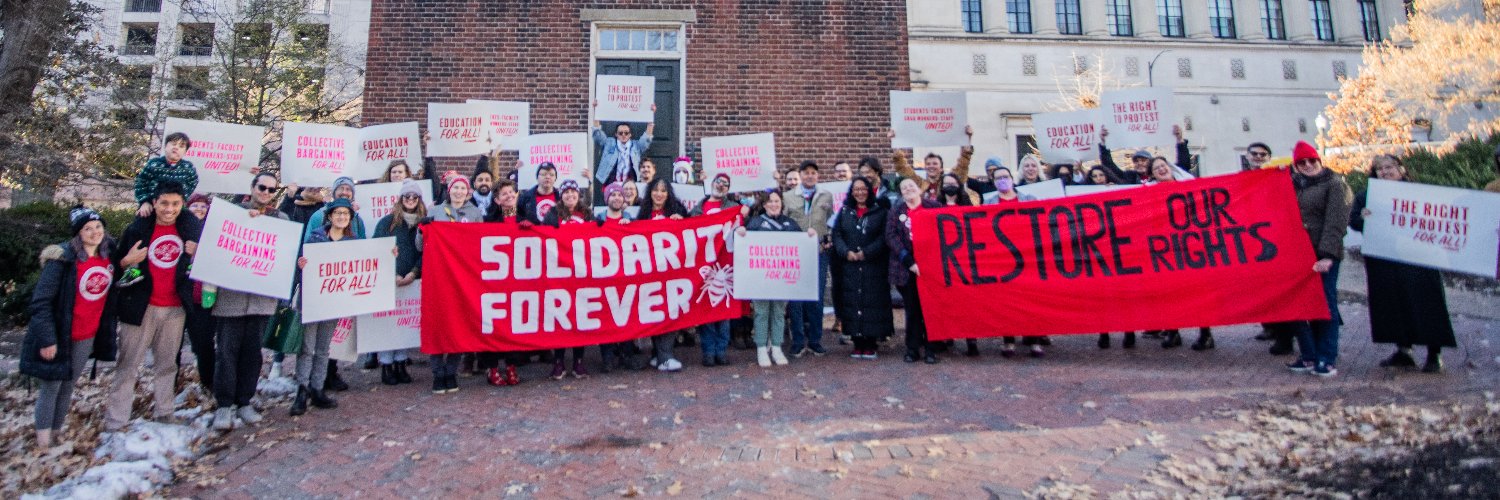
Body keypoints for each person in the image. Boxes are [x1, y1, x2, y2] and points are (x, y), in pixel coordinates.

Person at [106, 181, 200, 431]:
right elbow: (114, 267)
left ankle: (165, 412)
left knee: (167, 364)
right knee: (128, 364)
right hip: (140, 307)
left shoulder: (190, 230)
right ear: (155, 202)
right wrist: (127, 260)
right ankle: (116, 420)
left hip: (174, 308)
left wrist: (197, 252)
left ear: (182, 205)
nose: (169, 209)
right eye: (164, 203)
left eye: (175, 204)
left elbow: (207, 264)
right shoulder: (137, 229)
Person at [23, 206, 119, 449]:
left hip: (86, 335)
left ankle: (57, 433)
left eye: (98, 227)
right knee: (52, 386)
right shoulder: (62, 260)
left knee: (68, 385)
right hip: (60, 334)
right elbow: (41, 303)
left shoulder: (108, 256)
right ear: (78, 233)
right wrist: (47, 339)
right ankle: (43, 442)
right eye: (88, 228)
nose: (95, 232)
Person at [1353, 155, 1456, 372]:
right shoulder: (1367, 196)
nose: (1384, 171)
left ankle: (1434, 354)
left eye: (1389, 167)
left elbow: (1437, 220)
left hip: (1418, 258)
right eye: (1379, 168)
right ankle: (1403, 350)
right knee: (1393, 304)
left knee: (1426, 302)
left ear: (1401, 169)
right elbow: (1354, 221)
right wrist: (1364, 218)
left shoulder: (1418, 193)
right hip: (1385, 258)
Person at [208, 173, 287, 430]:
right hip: (231, 298)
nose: (265, 192)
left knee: (253, 354)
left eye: (271, 189)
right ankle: (224, 405)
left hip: (261, 299)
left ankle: (244, 401)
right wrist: (244, 218)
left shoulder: (280, 220)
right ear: (252, 188)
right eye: (261, 187)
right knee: (226, 352)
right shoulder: (232, 213)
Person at [1285, 141, 1352, 377]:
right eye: (1301, 162)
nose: (1307, 165)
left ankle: (1327, 356)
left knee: (1325, 304)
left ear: (1319, 160)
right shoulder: (1292, 186)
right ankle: (1309, 355)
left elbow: (1336, 223)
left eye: (1311, 160)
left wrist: (1327, 255)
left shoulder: (1335, 185)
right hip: (1298, 254)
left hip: (1322, 253)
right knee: (1299, 305)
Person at [1139, 157, 1217, 351]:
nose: (1161, 170)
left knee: (1197, 293)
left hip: (1191, 247)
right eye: (1156, 169)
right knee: (1169, 294)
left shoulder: (1190, 186)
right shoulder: (1148, 193)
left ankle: (1205, 334)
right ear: (1153, 174)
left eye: (1163, 166)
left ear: (1170, 167)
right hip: (1165, 250)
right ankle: (1173, 332)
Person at [291, 199, 358, 415]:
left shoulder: (352, 242)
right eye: (337, 213)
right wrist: (302, 266)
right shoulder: (316, 238)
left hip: (333, 302)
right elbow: (301, 267)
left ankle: (317, 388)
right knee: (306, 348)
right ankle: (301, 389)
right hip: (311, 301)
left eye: (345, 214)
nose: (341, 217)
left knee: (323, 348)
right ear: (329, 216)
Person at [737, 190, 815, 367]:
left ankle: (777, 346)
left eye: (777, 201)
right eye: (770, 201)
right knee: (762, 312)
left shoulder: (790, 224)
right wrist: (741, 232)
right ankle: (762, 348)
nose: (774, 204)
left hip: (782, 280)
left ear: (781, 203)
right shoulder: (756, 223)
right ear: (764, 205)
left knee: (779, 312)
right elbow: (744, 244)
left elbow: (801, 246)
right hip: (760, 280)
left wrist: (809, 236)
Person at [427, 174, 485, 392]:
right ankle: (437, 373)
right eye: (455, 188)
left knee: (458, 325)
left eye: (462, 188)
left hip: (462, 276)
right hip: (438, 275)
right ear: (449, 190)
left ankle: (451, 371)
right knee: (437, 325)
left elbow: (481, 243)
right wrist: (424, 229)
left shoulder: (475, 213)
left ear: (468, 191)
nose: (459, 191)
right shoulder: (435, 212)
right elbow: (420, 245)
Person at [832, 177, 893, 359]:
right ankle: (857, 342)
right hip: (850, 266)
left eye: (863, 189)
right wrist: (845, 252)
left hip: (872, 265)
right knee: (853, 301)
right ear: (851, 192)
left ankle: (871, 342)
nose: (860, 192)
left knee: (871, 302)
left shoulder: (879, 211)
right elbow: (837, 234)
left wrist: (867, 252)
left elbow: (884, 237)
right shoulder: (844, 212)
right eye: (856, 189)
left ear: (869, 190)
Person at [372, 180, 425, 385]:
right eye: (406, 197)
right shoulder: (387, 222)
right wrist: (392, 272)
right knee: (389, 322)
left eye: (414, 197)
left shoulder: (423, 222)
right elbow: (377, 247)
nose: (410, 200)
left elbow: (427, 249)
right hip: (390, 278)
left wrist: (414, 272)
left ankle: (401, 363)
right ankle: (386, 364)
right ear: (400, 199)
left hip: (412, 278)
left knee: (406, 322)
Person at [540, 180, 595, 378]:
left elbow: (597, 238)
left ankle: (579, 361)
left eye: (573, 192)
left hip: (581, 273)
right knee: (561, 318)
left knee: (579, 317)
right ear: (561, 195)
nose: (570, 196)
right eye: (566, 193)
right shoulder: (553, 214)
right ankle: (559, 362)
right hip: (560, 273)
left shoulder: (587, 214)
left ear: (578, 195)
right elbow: (544, 237)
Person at [689, 173, 744, 366]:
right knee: (707, 309)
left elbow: (740, 228)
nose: (721, 186)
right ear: (711, 184)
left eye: (726, 184)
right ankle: (708, 351)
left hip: (727, 263)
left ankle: (721, 351)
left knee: (725, 309)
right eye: (718, 182)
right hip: (706, 264)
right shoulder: (699, 208)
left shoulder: (733, 208)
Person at [887, 177, 942, 364]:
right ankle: (912, 348)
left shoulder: (934, 207)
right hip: (906, 268)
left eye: (911, 186)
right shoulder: (896, 211)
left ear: (919, 189)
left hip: (930, 267)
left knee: (930, 308)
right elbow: (891, 236)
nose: (908, 189)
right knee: (912, 309)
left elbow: (944, 231)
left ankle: (931, 348)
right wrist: (908, 259)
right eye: (904, 188)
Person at [637, 177, 689, 372]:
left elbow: (693, 234)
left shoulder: (678, 211)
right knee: (654, 311)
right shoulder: (643, 213)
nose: (659, 194)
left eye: (663, 191)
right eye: (656, 190)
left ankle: (665, 356)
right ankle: (657, 355)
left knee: (670, 311)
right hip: (649, 273)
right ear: (650, 192)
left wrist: (682, 223)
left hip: (671, 273)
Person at [784, 161, 834, 357]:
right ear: (801, 175)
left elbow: (831, 221)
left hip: (818, 252)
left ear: (818, 176)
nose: (810, 176)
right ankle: (797, 340)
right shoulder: (788, 196)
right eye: (806, 173)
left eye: (813, 173)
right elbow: (784, 221)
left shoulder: (826, 196)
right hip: (796, 253)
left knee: (817, 296)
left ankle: (815, 340)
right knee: (796, 298)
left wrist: (827, 240)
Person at [595, 182, 643, 372]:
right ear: (607, 199)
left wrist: (631, 226)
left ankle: (627, 355)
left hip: (626, 278)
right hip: (604, 278)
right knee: (605, 317)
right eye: (612, 195)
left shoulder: (631, 220)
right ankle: (607, 357)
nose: (616, 198)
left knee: (627, 316)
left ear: (624, 200)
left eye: (619, 195)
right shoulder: (597, 220)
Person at [480, 180, 524, 386]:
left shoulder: (526, 218)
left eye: (511, 192)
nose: (508, 196)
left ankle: (512, 366)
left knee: (514, 325)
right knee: (493, 324)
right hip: (495, 282)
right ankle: (493, 368)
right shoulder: (488, 221)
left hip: (519, 281)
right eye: (503, 194)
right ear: (496, 200)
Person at [182, 193, 216, 390]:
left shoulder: (212, 231)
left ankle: (208, 381)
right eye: (195, 206)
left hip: (205, 295)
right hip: (181, 294)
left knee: (204, 342)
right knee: (182, 344)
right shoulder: (181, 229)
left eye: (203, 206)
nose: (200, 210)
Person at [890, 126, 974, 200]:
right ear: (925, 167)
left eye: (935, 163)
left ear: (941, 168)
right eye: (928, 164)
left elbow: (963, 165)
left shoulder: (949, 182)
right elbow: (902, 167)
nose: (931, 166)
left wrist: (968, 138)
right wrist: (894, 140)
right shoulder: (919, 183)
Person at [590, 102, 656, 188]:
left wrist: (650, 115)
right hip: (611, 182)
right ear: (616, 134)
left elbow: (647, 138)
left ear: (630, 135)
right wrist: (597, 111)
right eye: (620, 133)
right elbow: (597, 134)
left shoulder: (636, 146)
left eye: (626, 133)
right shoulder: (609, 143)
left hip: (631, 184)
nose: (623, 135)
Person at [134, 132, 198, 217]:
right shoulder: (154, 164)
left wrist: (183, 197)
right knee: (141, 225)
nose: (176, 147)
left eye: (181, 146)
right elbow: (141, 182)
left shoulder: (188, 167)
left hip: (176, 208)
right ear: (165, 146)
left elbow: (193, 182)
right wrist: (144, 202)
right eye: (173, 144)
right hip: (152, 206)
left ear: (185, 152)